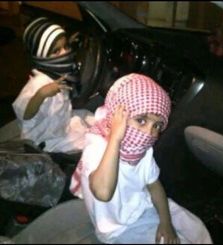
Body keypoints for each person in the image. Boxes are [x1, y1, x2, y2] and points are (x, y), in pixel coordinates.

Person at [70, 73, 213, 244]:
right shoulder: (97, 148)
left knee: (196, 229)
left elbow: (154, 186)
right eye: (141, 120)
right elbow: (103, 192)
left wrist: (166, 223)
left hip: (142, 205)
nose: (148, 133)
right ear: (116, 116)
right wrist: (115, 138)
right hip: (119, 227)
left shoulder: (143, 151)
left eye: (157, 126)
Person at [12, 17, 94, 153]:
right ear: (42, 56)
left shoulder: (55, 72)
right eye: (56, 51)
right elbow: (24, 114)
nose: (65, 53)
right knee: (91, 142)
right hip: (45, 139)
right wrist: (41, 94)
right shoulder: (39, 83)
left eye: (66, 47)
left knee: (90, 117)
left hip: (61, 123)